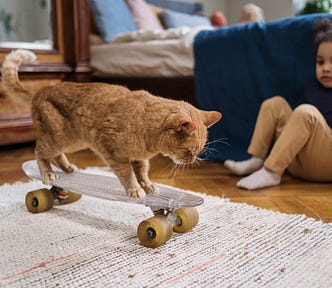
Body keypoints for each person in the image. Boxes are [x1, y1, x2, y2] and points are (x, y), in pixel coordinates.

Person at [224, 17, 332, 190]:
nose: (326, 68)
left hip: (327, 164)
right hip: (297, 164)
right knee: (275, 104)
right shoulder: (311, 88)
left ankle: (271, 172)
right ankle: (257, 160)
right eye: (320, 62)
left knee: (305, 112)